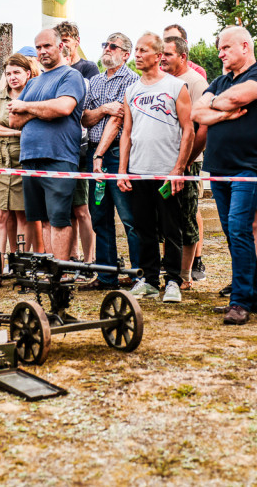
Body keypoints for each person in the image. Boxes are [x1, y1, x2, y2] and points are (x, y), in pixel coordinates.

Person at [191, 26, 257, 325]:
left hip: (248, 166)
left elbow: (233, 98)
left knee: (239, 226)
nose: (220, 53)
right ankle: (252, 293)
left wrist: (218, 105)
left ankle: (239, 301)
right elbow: (197, 113)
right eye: (219, 48)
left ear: (245, 46)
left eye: (225, 48)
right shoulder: (220, 80)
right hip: (218, 167)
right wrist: (224, 113)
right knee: (233, 232)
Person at [118, 33, 193, 302]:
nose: (137, 55)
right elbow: (126, 133)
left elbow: (188, 130)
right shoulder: (131, 90)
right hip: (138, 172)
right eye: (135, 50)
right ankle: (149, 280)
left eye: (143, 50)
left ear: (159, 55)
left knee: (172, 228)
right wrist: (123, 170)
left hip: (166, 173)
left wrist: (179, 169)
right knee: (143, 228)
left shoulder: (176, 86)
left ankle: (173, 279)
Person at [8, 28, 86, 262]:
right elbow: (14, 120)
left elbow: (63, 108)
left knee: (59, 218)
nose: (42, 51)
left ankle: (61, 271)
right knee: (42, 219)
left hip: (59, 156)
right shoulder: (33, 83)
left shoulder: (70, 76)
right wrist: (43, 110)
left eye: (47, 46)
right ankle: (52, 269)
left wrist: (28, 108)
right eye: (38, 47)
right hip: (30, 157)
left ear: (60, 46)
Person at [82, 32, 139, 291]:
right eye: (104, 44)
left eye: (112, 46)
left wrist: (100, 155)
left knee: (129, 217)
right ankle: (106, 277)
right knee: (99, 216)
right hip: (94, 152)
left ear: (126, 54)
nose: (106, 48)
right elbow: (85, 118)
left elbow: (119, 121)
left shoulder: (132, 80)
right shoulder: (94, 81)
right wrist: (104, 109)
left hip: (117, 154)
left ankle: (140, 276)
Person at [0, 53, 37, 289]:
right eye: (9, 73)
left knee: (23, 215)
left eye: (17, 72)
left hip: (24, 158)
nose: (12, 77)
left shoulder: (34, 96)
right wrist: (15, 132)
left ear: (28, 73)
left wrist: (0, 129)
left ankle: (23, 270)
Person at [160, 34, 208, 287]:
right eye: (161, 53)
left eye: (167, 54)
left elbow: (201, 127)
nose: (162, 58)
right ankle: (170, 269)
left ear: (182, 56)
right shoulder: (163, 81)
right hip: (162, 162)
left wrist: (186, 161)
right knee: (166, 221)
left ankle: (185, 275)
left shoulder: (195, 82)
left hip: (187, 162)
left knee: (186, 218)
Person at [55, 20, 96, 265]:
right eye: (59, 42)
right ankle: (72, 256)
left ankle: (90, 259)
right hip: (59, 148)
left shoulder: (87, 68)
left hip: (80, 147)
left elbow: (87, 103)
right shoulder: (49, 70)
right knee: (65, 209)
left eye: (67, 41)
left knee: (82, 208)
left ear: (76, 41)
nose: (63, 47)